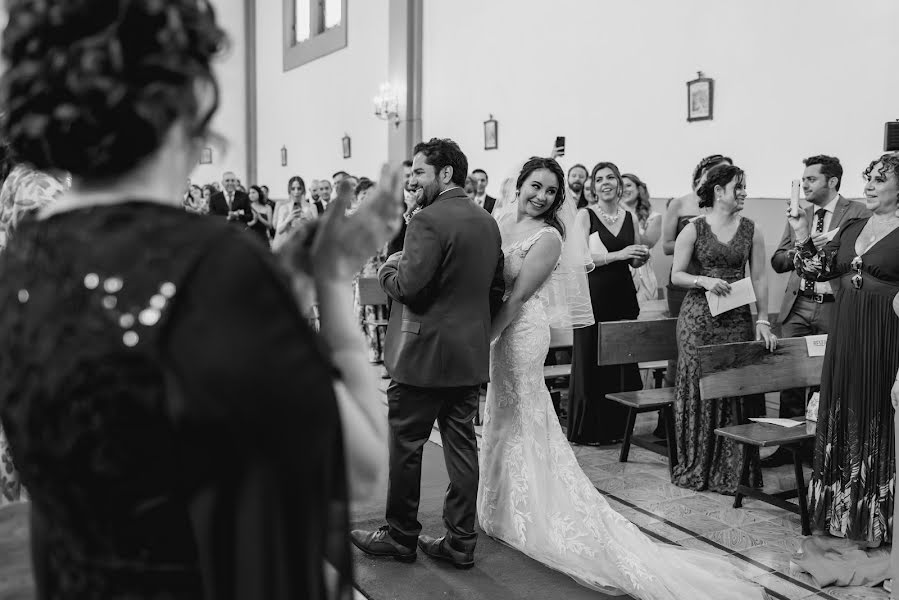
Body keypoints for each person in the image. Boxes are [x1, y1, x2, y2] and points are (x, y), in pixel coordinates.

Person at [0, 2, 403, 597]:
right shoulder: (211, 259)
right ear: (184, 102)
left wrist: (279, 283)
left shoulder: (21, 254)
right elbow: (362, 468)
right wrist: (334, 280)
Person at [479, 156, 767, 600]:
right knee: (500, 417)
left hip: (517, 331)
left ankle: (528, 508)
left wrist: (485, 339)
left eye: (551, 191)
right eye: (535, 186)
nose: (541, 196)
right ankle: (497, 503)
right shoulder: (498, 221)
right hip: (498, 327)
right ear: (518, 185)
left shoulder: (551, 236)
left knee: (524, 418)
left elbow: (517, 296)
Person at [351, 138, 504, 569]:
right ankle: (460, 541)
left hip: (421, 355)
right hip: (467, 354)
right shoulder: (486, 221)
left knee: (407, 447)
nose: (412, 179)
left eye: (419, 171)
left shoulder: (428, 220)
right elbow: (495, 290)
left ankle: (400, 536)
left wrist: (387, 266)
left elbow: (409, 289)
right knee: (461, 449)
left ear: (446, 174)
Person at [790, 152, 899, 587]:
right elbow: (815, 270)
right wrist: (801, 232)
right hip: (848, 335)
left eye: (879, 179)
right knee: (846, 415)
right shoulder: (854, 226)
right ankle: (844, 517)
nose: (869, 186)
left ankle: (877, 522)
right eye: (867, 179)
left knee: (877, 419)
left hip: (886, 338)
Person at [669, 163, 774, 493]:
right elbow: (676, 275)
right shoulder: (694, 229)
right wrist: (705, 280)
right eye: (738, 186)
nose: (744, 192)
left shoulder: (751, 230)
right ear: (718, 190)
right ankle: (697, 463)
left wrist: (763, 319)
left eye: (745, 187)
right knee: (700, 387)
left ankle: (731, 469)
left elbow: (759, 277)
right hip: (698, 319)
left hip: (737, 318)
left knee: (732, 387)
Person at [765, 155, 868, 468]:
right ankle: (787, 447)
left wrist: (826, 252)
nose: (804, 184)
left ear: (832, 181)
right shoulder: (800, 213)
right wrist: (804, 244)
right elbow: (778, 261)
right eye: (803, 179)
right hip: (798, 306)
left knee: (827, 378)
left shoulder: (858, 212)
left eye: (811, 179)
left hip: (833, 305)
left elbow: (857, 259)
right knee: (791, 379)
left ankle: (822, 446)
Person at [567, 161, 649, 445]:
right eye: (599, 178)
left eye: (611, 178)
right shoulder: (584, 215)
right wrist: (619, 255)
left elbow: (634, 257)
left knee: (621, 363)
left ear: (618, 183)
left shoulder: (630, 216)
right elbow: (578, 258)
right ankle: (589, 430)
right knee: (592, 361)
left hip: (623, 294)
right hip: (594, 295)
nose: (605, 183)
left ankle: (618, 428)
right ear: (593, 185)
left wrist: (639, 257)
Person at [662, 154, 732, 317]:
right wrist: (694, 242)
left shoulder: (724, 206)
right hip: (684, 280)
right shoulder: (678, 204)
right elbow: (666, 246)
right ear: (706, 172)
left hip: (716, 282)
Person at [621, 172, 661, 304]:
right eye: (621, 186)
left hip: (644, 275)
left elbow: (649, 243)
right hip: (620, 273)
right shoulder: (614, 217)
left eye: (628, 185)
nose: (624, 189)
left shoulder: (654, 217)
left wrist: (630, 215)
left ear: (639, 189)